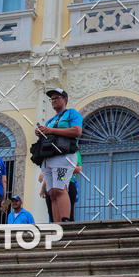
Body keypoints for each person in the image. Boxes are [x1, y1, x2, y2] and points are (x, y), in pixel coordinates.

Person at [36, 88, 83, 223]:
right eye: (52, 99)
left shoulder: (71, 113)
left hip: (64, 156)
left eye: (57, 97)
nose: (54, 100)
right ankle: (56, 224)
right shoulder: (50, 120)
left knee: (60, 188)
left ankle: (65, 220)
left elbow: (77, 131)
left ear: (65, 99)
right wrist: (41, 131)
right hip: (49, 157)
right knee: (52, 193)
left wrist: (51, 130)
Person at [68, 149, 82, 221]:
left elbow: (78, 169)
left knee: (70, 212)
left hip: (69, 182)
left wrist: (63, 168)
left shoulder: (75, 152)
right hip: (53, 185)